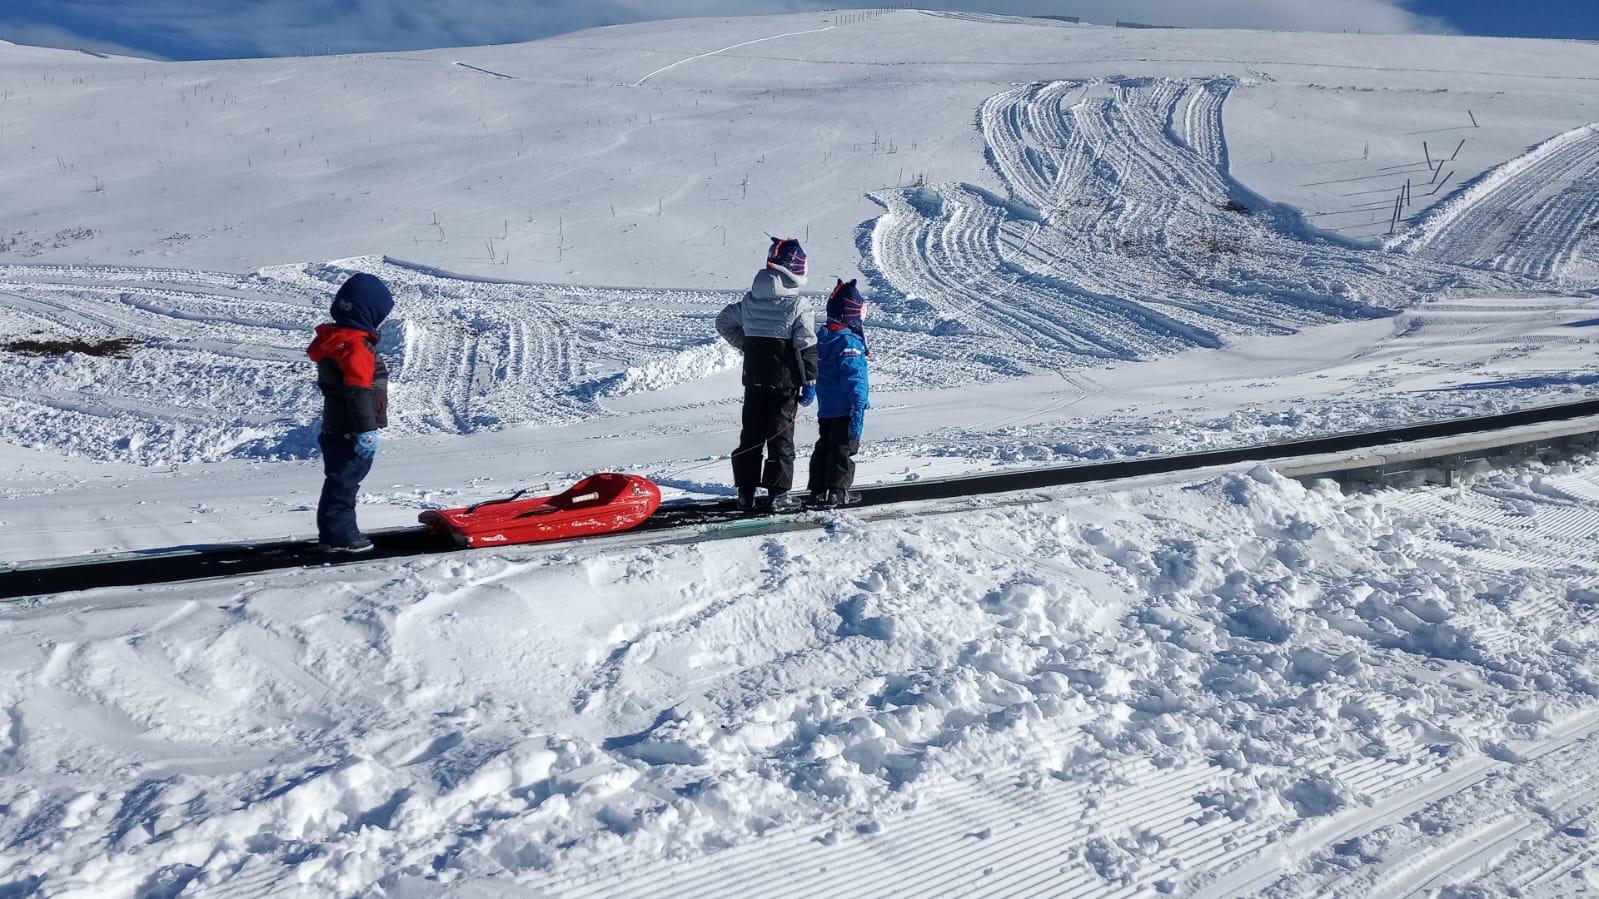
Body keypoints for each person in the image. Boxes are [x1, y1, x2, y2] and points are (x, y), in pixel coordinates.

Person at [715, 237, 819, 512]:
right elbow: (805, 344)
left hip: (753, 381)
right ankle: (778, 495)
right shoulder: (799, 305)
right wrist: (810, 381)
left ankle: (745, 493)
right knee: (780, 438)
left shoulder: (749, 300)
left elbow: (723, 322)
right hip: (784, 385)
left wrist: (747, 345)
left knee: (750, 436)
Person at [306, 272, 394, 552]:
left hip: (338, 426)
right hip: (351, 430)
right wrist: (366, 430)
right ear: (367, 312)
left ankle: (335, 533)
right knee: (344, 482)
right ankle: (340, 537)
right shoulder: (355, 347)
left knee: (340, 480)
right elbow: (358, 391)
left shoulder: (338, 340)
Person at [809, 279, 870, 507]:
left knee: (824, 447)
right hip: (845, 408)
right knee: (842, 450)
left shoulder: (822, 338)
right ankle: (837, 491)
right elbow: (855, 379)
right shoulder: (848, 341)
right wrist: (859, 405)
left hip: (826, 408)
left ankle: (817, 490)